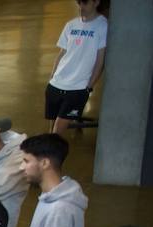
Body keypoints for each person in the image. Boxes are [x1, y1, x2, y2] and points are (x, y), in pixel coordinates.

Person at [46, 0, 106, 134]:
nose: (81, 7)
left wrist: (89, 86)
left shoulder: (102, 26)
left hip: (78, 87)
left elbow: (100, 60)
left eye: (85, 3)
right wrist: (52, 77)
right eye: (79, 3)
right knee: (52, 130)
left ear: (96, 3)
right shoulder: (70, 25)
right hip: (57, 83)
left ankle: (51, 153)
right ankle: (49, 153)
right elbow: (62, 53)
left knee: (57, 131)